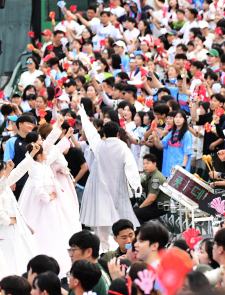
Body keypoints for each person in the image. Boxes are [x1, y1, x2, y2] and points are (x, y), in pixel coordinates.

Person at [79, 109, 141, 251]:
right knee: (122, 216)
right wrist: (136, 186)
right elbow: (131, 167)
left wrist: (83, 114)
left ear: (104, 134)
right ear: (118, 134)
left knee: (101, 217)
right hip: (118, 187)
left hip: (100, 187)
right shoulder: (123, 146)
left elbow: (90, 131)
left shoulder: (99, 145)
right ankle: (128, 245)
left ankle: (104, 247)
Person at [19, 142, 80, 274]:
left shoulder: (42, 165)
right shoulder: (36, 168)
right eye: (45, 152)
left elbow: (55, 151)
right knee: (46, 228)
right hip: (45, 205)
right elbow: (38, 189)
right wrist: (48, 197)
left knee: (55, 228)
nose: (47, 153)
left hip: (51, 204)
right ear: (40, 155)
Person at [67, 230, 113, 295]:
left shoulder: (85, 275)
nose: (70, 254)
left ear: (88, 252)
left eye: (73, 250)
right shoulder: (100, 272)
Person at [152, 110, 194, 177]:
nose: (178, 119)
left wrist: (182, 168)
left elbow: (187, 153)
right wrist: (155, 138)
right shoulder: (171, 133)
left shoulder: (187, 134)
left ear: (184, 120)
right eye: (176, 117)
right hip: (168, 169)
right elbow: (161, 145)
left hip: (179, 169)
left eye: (180, 117)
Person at [133, 154, 170, 224]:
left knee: (134, 214)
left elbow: (151, 198)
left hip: (159, 207)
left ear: (154, 164)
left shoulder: (156, 177)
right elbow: (142, 186)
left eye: (148, 163)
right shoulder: (149, 174)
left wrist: (140, 207)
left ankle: (142, 233)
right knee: (133, 211)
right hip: (154, 205)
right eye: (144, 164)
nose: (145, 166)